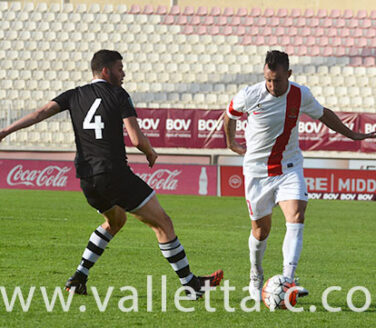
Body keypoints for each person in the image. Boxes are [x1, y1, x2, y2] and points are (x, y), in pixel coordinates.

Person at [0, 49, 223, 298]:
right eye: (120, 68)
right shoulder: (118, 94)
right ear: (106, 71)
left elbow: (40, 113)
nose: (123, 73)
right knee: (163, 224)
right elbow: (137, 139)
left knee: (115, 221)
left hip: (87, 179)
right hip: (115, 174)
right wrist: (150, 152)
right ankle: (190, 285)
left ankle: (78, 278)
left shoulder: (74, 94)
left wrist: (6, 131)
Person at [224, 50, 376, 301]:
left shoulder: (300, 94)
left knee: (296, 215)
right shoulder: (250, 95)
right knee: (261, 232)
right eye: (268, 79)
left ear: (289, 75)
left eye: (278, 80)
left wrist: (353, 135)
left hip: (289, 166)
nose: (272, 85)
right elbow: (229, 115)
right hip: (257, 172)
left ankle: (289, 280)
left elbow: (323, 113)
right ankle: (255, 273)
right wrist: (232, 144)